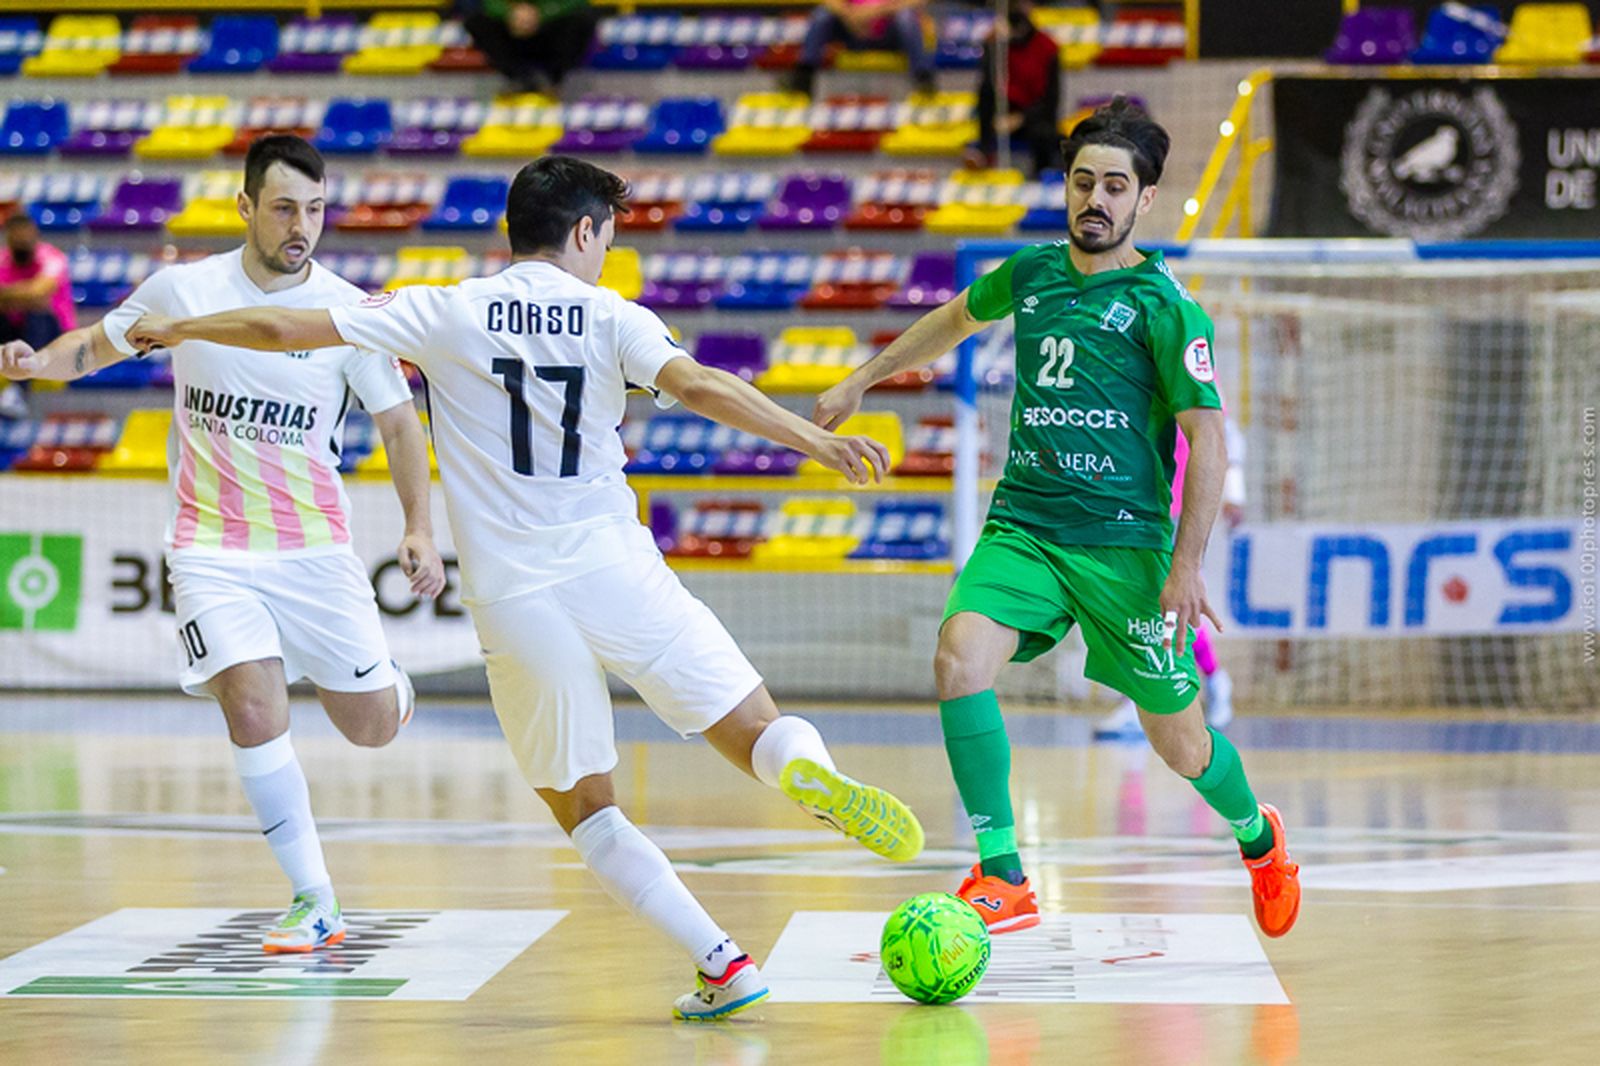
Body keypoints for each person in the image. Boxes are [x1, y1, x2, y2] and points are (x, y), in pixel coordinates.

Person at [121, 156, 925, 1022]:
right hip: (616, 567)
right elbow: (700, 386)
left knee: (587, 810)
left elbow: (289, 331)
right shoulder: (612, 313)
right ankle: (806, 771)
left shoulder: (445, 306)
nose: (606, 255)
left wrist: (188, 327)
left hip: (515, 599)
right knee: (755, 726)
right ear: (583, 233)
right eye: (607, 239)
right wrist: (812, 438)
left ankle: (723, 962)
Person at [811, 99, 1301, 940]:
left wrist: (1185, 570)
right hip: (1027, 528)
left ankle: (1258, 837)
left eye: (1116, 186)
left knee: (1181, 747)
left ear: (1145, 199)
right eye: (1083, 183)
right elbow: (954, 321)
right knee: (960, 656)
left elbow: (1207, 445)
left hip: (1127, 549)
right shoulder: (1032, 274)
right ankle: (1004, 874)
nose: (1096, 200)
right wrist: (866, 377)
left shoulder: (1165, 307)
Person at [0, 135, 445, 953]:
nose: (301, 226)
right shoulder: (183, 291)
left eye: (314, 209)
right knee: (250, 703)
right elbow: (93, 347)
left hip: (314, 549)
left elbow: (398, 423)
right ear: (246, 207)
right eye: (284, 208)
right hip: (208, 546)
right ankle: (314, 897)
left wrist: (418, 525)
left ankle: (392, 688)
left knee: (372, 726)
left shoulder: (345, 311)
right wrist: (37, 364)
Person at [1095, 413, 1246, 738]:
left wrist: (1235, 491)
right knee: (1140, 601)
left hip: (1174, 504)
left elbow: (1222, 429)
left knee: (1157, 602)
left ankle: (1140, 701)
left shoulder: (1187, 364)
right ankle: (1214, 679)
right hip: (1134, 500)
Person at [968, 1, 1063, 178]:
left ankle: (1039, 176)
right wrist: (991, 47)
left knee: (1044, 133)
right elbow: (989, 82)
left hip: (1035, 116)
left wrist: (1019, 119)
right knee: (985, 95)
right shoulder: (998, 45)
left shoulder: (1047, 48)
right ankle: (984, 152)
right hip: (1004, 109)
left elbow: (1051, 101)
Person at [0, 213, 77, 418]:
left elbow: (40, 293)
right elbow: (33, 293)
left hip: (52, 333)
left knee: (37, 316)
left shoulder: (51, 257)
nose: (22, 241)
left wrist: (8, 296)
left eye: (26, 236)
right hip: (12, 328)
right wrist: (26, 295)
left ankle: (17, 390)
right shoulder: (2, 260)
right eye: (17, 237)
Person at [784, 0, 937, 98]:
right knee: (822, 15)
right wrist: (850, 16)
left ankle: (922, 76)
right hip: (851, 29)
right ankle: (805, 72)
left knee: (906, 18)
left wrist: (874, 13)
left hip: (889, 30)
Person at [454, 0, 601, 97]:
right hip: (510, 33)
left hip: (553, 31)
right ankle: (518, 78)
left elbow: (578, 3)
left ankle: (552, 78)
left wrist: (540, 15)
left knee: (582, 20)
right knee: (476, 20)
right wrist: (510, 14)